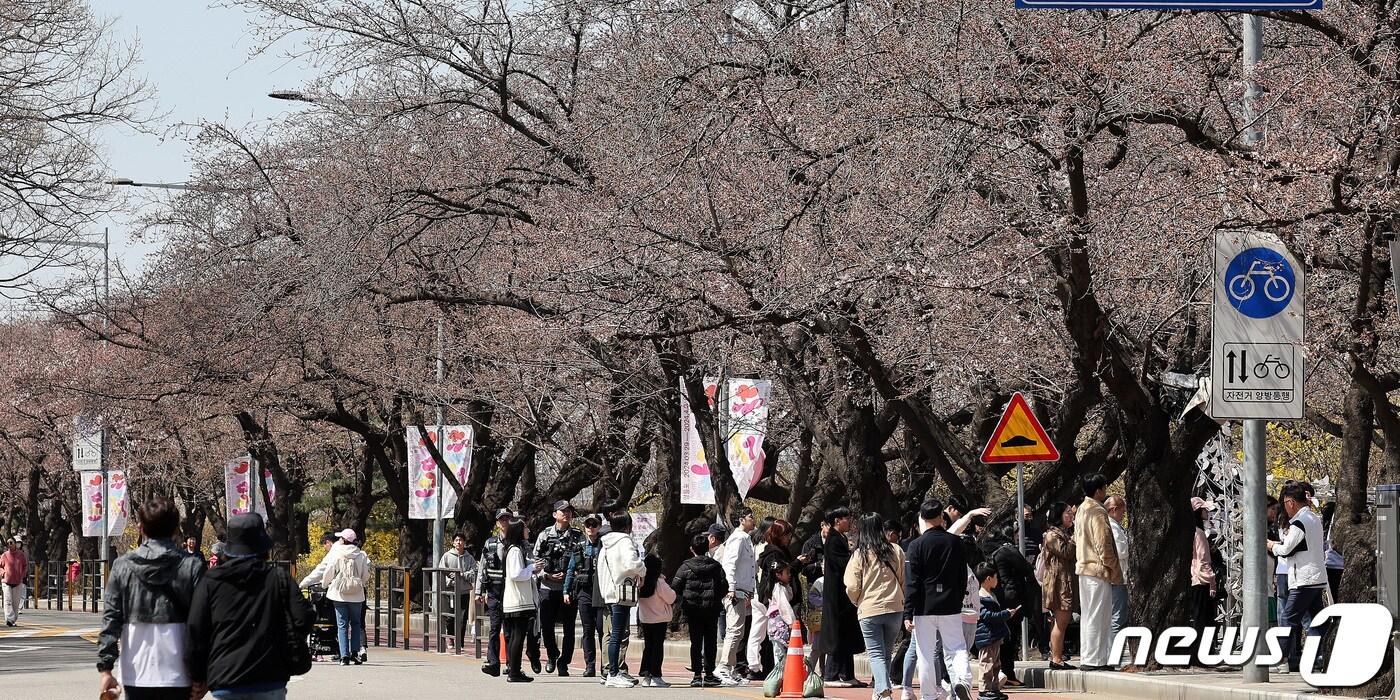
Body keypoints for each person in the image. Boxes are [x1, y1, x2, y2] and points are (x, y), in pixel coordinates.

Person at [187, 513, 315, 700]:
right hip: (270, 675)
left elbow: (196, 631)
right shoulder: (278, 578)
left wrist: (198, 675)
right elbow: (303, 617)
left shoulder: (211, 581)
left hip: (226, 677)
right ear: (263, 547)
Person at [97, 496, 205, 700]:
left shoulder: (123, 566)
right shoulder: (191, 566)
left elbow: (111, 619)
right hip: (180, 671)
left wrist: (106, 668)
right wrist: (202, 674)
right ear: (175, 530)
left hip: (135, 671)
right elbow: (201, 623)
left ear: (141, 528)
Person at [905, 499, 973, 700]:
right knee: (956, 647)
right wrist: (958, 598)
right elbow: (962, 576)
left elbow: (912, 582)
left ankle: (928, 695)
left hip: (924, 606)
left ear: (922, 519)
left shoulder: (915, 546)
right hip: (950, 603)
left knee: (925, 652)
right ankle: (962, 680)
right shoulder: (955, 543)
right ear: (942, 517)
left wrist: (908, 611)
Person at [845, 513, 907, 700]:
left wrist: (857, 601)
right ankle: (880, 689)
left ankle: (883, 690)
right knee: (886, 653)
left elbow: (852, 585)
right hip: (895, 607)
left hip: (869, 608)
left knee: (876, 654)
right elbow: (904, 579)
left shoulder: (860, 554)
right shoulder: (896, 550)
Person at [1268, 482, 1328, 674]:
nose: (1284, 508)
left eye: (1285, 503)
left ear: (1291, 502)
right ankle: (1319, 656)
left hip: (1303, 579)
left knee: (1287, 619)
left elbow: (1286, 549)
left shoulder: (1299, 522)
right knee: (1317, 621)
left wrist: (1270, 545)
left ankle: (1281, 658)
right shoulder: (1313, 518)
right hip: (1315, 577)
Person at [1073, 474, 1121, 672]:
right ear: (1099, 490)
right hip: (1098, 569)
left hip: (1084, 568)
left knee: (1090, 616)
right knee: (1099, 616)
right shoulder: (1097, 512)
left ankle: (1091, 656)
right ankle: (1095, 659)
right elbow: (1104, 543)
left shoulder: (1082, 509)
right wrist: (1114, 568)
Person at [534, 499, 584, 676]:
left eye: (569, 511)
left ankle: (564, 662)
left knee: (569, 628)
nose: (567, 514)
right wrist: (545, 575)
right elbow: (535, 561)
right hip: (547, 587)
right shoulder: (545, 535)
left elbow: (583, 562)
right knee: (546, 627)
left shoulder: (578, 535)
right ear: (555, 514)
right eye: (563, 511)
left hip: (568, 589)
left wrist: (572, 576)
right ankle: (551, 654)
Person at [598, 512, 646, 688]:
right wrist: (643, 571)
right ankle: (613, 673)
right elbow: (632, 563)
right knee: (617, 634)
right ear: (627, 525)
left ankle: (613, 672)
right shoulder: (624, 541)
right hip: (621, 592)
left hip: (610, 593)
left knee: (613, 634)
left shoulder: (606, 543)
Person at [673, 533, 728, 687]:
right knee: (711, 642)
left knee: (695, 642)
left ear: (692, 549)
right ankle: (709, 674)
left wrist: (685, 598)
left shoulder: (685, 567)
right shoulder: (716, 566)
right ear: (707, 548)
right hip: (711, 609)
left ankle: (697, 675)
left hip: (692, 610)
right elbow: (724, 586)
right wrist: (715, 598)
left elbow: (676, 586)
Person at [986, 525, 1036, 687]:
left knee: (1002, 638)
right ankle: (1008, 673)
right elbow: (1027, 568)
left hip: (999, 596)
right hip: (1012, 598)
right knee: (1010, 638)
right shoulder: (1008, 550)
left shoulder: (992, 549)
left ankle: (1000, 673)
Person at [821, 506, 865, 688]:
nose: (849, 521)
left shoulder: (840, 538)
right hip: (836, 596)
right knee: (837, 635)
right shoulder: (833, 540)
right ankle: (832, 674)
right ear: (837, 521)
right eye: (846, 518)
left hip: (843, 596)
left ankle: (847, 674)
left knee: (845, 634)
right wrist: (855, 557)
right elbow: (842, 564)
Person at [717, 508, 758, 686]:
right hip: (735, 591)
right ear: (741, 520)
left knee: (739, 632)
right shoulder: (738, 538)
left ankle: (731, 668)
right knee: (734, 630)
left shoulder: (746, 539)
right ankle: (723, 667)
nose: (753, 519)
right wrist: (731, 588)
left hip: (743, 590)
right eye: (750, 517)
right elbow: (729, 564)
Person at [495, 516, 536, 683]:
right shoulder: (515, 550)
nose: (528, 531)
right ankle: (514, 671)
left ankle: (515, 669)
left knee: (515, 637)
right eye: (525, 528)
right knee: (517, 637)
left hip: (515, 600)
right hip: (518, 600)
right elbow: (516, 574)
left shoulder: (512, 549)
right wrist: (532, 568)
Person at [321, 528, 370, 666]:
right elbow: (365, 575)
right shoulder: (361, 555)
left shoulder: (337, 553)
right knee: (355, 624)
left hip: (339, 594)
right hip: (356, 595)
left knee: (341, 625)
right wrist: (359, 583)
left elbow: (329, 572)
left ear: (343, 540)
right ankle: (355, 653)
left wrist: (325, 584)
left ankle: (344, 656)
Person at [565, 515, 606, 676]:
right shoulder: (579, 545)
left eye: (594, 524)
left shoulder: (605, 544)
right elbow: (570, 568)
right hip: (584, 591)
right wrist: (566, 591)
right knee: (587, 630)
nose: (591, 528)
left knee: (603, 630)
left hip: (601, 591)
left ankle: (606, 665)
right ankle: (590, 665)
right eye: (588, 525)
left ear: (599, 526)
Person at [476, 509, 514, 677]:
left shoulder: (518, 542)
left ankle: (512, 663)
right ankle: (493, 662)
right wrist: (479, 591)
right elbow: (482, 568)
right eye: (501, 519)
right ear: (497, 522)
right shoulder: (490, 543)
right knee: (494, 628)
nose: (504, 522)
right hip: (494, 591)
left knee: (510, 630)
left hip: (512, 592)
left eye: (507, 519)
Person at [1040, 502, 1077, 670]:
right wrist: (1075, 537)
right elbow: (1066, 552)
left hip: (1065, 582)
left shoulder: (1063, 533)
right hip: (1059, 585)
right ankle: (1056, 658)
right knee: (1061, 621)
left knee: (1063, 620)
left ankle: (1057, 656)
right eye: (1068, 513)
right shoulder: (1052, 535)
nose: (1071, 516)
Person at [974, 562, 1016, 700]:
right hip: (987, 636)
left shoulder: (990, 595)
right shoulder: (980, 597)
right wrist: (1006, 614)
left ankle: (994, 688)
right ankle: (984, 690)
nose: (997, 580)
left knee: (996, 664)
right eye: (996, 577)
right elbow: (987, 616)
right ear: (988, 579)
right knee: (986, 663)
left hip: (995, 635)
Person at [1187, 497, 1218, 667]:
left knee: (1197, 618)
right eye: (1205, 510)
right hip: (1201, 580)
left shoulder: (1190, 532)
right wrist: (1212, 581)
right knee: (1204, 619)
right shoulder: (1198, 533)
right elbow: (1203, 560)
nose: (1208, 513)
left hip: (1193, 579)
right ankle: (1202, 654)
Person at [637, 553, 676, 688]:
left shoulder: (641, 581)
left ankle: (646, 676)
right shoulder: (659, 582)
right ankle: (656, 676)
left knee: (648, 646)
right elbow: (671, 597)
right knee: (657, 647)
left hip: (645, 619)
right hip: (659, 619)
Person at [438, 532, 477, 654]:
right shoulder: (447, 556)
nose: (459, 542)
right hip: (450, 592)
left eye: (461, 540)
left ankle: (460, 642)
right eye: (456, 540)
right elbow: (441, 572)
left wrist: (463, 575)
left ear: (464, 543)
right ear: (453, 542)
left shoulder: (469, 558)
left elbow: (474, 572)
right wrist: (450, 581)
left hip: (464, 591)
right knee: (450, 616)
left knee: (463, 617)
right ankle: (451, 637)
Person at [1104, 495, 1130, 640]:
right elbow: (1121, 551)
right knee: (1117, 619)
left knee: (1117, 617)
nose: (1123, 515)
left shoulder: (1113, 526)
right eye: (1122, 512)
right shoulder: (1112, 527)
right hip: (1117, 578)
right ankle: (1114, 653)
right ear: (1114, 510)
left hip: (1117, 577)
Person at [762, 557, 797, 656]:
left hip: (778, 621)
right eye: (787, 573)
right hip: (779, 621)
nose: (789, 575)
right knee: (780, 653)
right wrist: (791, 622)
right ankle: (780, 671)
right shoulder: (779, 588)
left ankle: (781, 670)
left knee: (780, 651)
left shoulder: (779, 587)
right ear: (778, 574)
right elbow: (784, 606)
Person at [1, 536, 29, 627]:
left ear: (15, 544)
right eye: (8, 543)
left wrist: (23, 574)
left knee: (15, 603)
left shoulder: (21, 555)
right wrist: (3, 573)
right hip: (6, 581)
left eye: (11, 543)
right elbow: (0, 566)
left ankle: (13, 619)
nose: (10, 545)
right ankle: (9, 619)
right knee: (8, 601)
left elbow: (25, 565)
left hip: (17, 582)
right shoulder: (4, 555)